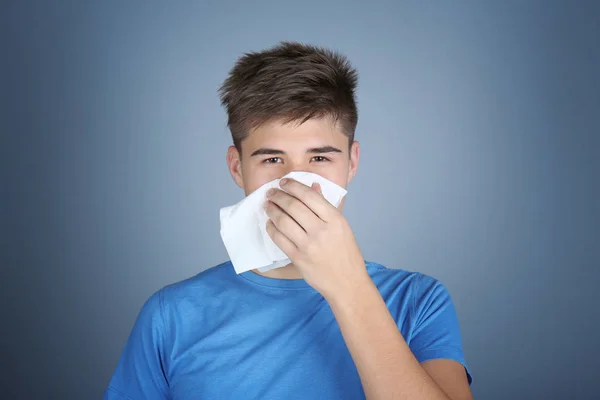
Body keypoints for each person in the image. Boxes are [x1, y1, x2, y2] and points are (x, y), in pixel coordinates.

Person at [103, 41, 473, 400]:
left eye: (319, 159)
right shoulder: (171, 316)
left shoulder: (418, 301)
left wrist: (348, 286)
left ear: (352, 162)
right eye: (272, 160)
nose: (297, 184)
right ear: (237, 167)